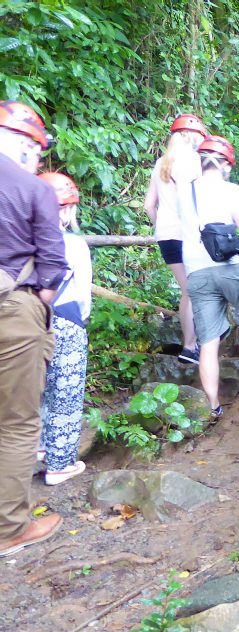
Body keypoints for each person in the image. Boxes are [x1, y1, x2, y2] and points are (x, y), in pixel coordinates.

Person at [0, 100, 66, 557]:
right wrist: (34, 311)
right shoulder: (33, 189)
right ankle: (9, 529)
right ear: (26, 144)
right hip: (12, 313)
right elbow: (52, 268)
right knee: (18, 424)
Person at [179, 136, 239, 417]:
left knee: (208, 342)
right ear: (225, 164)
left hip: (196, 271)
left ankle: (214, 405)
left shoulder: (185, 192)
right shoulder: (229, 190)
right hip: (230, 268)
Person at [38, 172, 91, 485]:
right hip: (67, 319)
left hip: (30, 320)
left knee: (37, 388)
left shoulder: (22, 243)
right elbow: (83, 296)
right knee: (65, 392)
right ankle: (60, 463)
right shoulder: (73, 244)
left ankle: (39, 449)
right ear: (67, 210)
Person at [144, 113, 208, 364]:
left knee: (187, 290)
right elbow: (189, 199)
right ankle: (192, 346)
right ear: (188, 135)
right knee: (193, 290)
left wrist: (161, 225)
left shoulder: (161, 163)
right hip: (186, 233)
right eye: (199, 135)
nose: (200, 140)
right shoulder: (191, 159)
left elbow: (149, 205)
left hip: (166, 236)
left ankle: (191, 344)